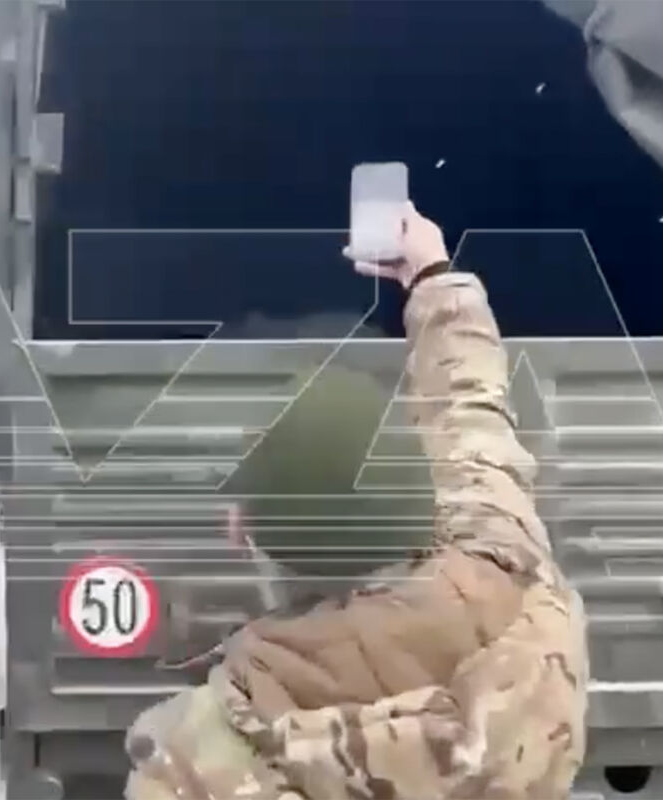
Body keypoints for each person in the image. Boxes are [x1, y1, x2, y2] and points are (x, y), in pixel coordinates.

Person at [123, 202, 589, 800]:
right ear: (423, 493)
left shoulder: (194, 760)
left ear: (243, 535)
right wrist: (432, 276)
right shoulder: (524, 601)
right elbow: (471, 416)